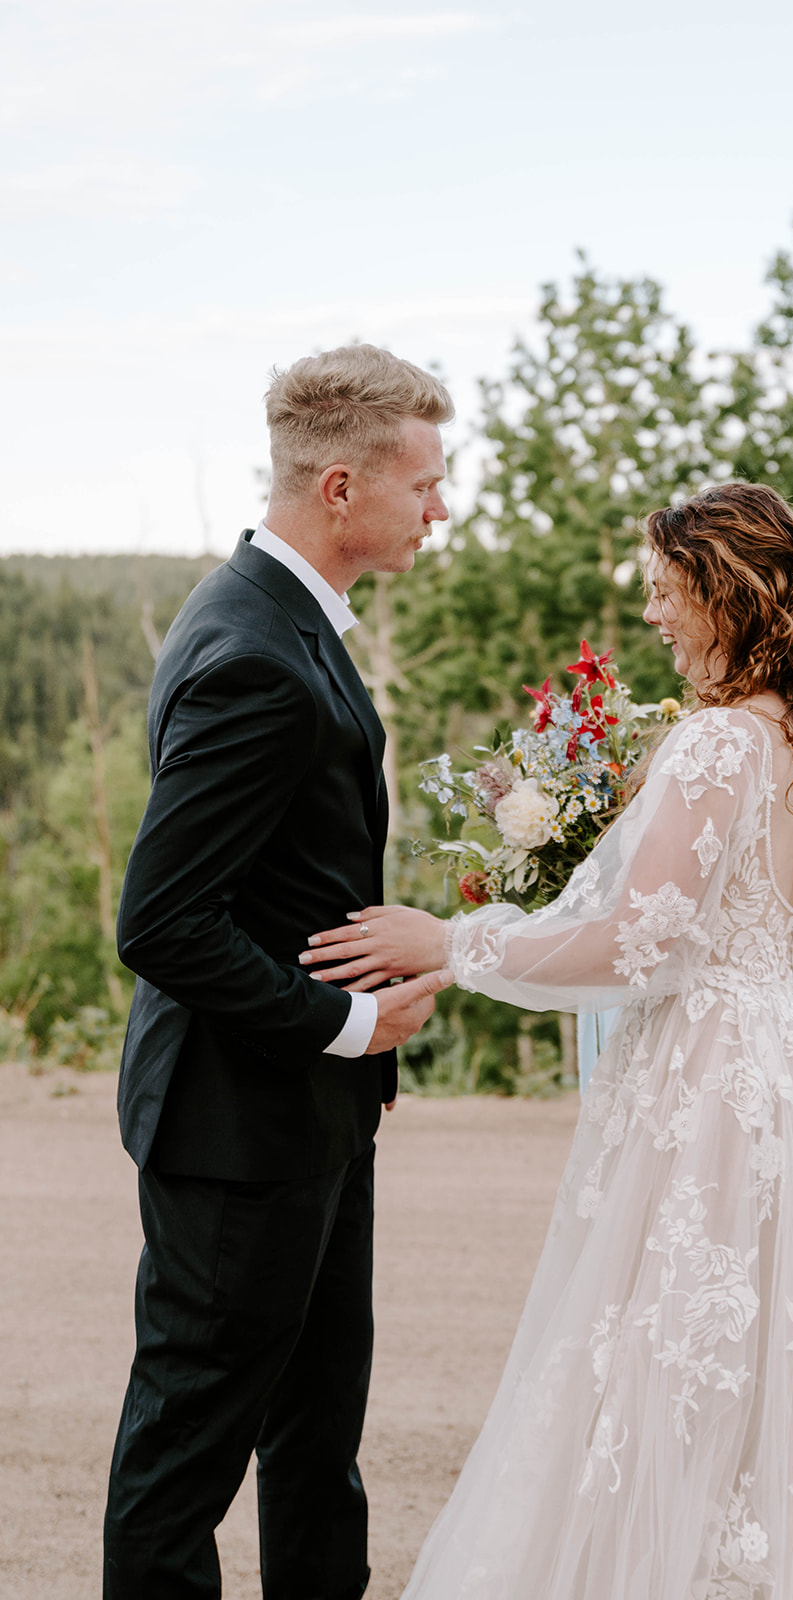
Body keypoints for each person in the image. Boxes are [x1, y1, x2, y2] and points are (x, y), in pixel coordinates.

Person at [301, 482, 793, 1599]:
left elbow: (637, 940)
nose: (653, 618)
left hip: (709, 1078)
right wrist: (752, 979)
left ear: (724, 594)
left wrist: (461, 940)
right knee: (787, 1361)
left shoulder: (716, 743)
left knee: (662, 1350)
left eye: (666, 593)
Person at [103, 343, 455, 1600]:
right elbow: (162, 920)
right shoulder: (254, 648)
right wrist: (344, 1023)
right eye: (427, 481)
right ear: (345, 486)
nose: (443, 505)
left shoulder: (280, 614)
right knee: (186, 1450)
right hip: (236, 1126)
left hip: (312, 1122)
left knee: (317, 1441)